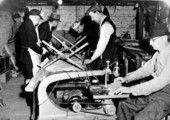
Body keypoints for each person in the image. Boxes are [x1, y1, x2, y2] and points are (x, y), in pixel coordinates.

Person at [113, 23, 170, 120]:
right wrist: (126, 78)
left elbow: (159, 82)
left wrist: (130, 89)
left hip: (167, 95)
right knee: (124, 106)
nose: (150, 43)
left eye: (153, 40)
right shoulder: (158, 53)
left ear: (165, 38)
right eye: (150, 40)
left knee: (141, 118)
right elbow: (146, 70)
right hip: (156, 91)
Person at [84, 5, 117, 70]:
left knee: (104, 79)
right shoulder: (104, 23)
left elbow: (102, 46)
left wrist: (91, 59)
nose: (92, 19)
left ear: (97, 13)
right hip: (107, 58)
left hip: (107, 61)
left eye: (92, 17)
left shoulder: (106, 25)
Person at [18, 9, 46, 80]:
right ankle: (30, 91)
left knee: (29, 77)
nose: (39, 21)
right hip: (28, 55)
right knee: (31, 79)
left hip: (26, 54)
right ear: (36, 17)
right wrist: (42, 51)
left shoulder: (27, 23)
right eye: (39, 18)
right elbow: (31, 44)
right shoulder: (29, 25)